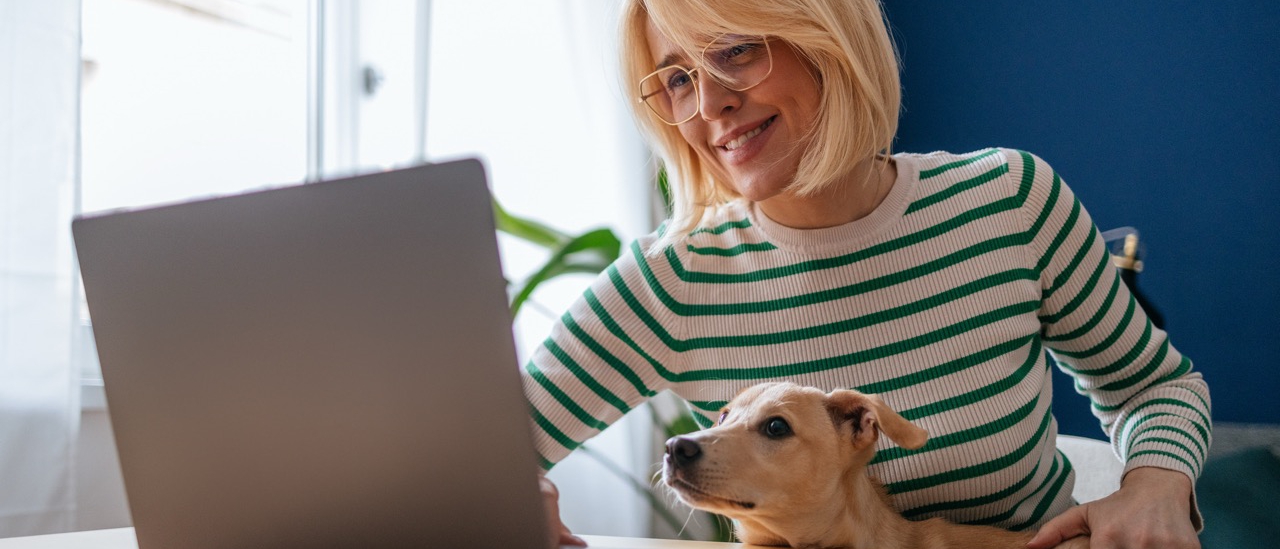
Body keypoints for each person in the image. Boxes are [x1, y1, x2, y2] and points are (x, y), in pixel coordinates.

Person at [529, 0, 1210, 548]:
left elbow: (1155, 386)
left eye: (735, 51)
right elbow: (478, 455)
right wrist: (516, 497)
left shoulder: (1009, 199)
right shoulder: (668, 282)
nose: (709, 106)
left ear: (826, 35)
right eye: (678, 79)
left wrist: (1155, 481)